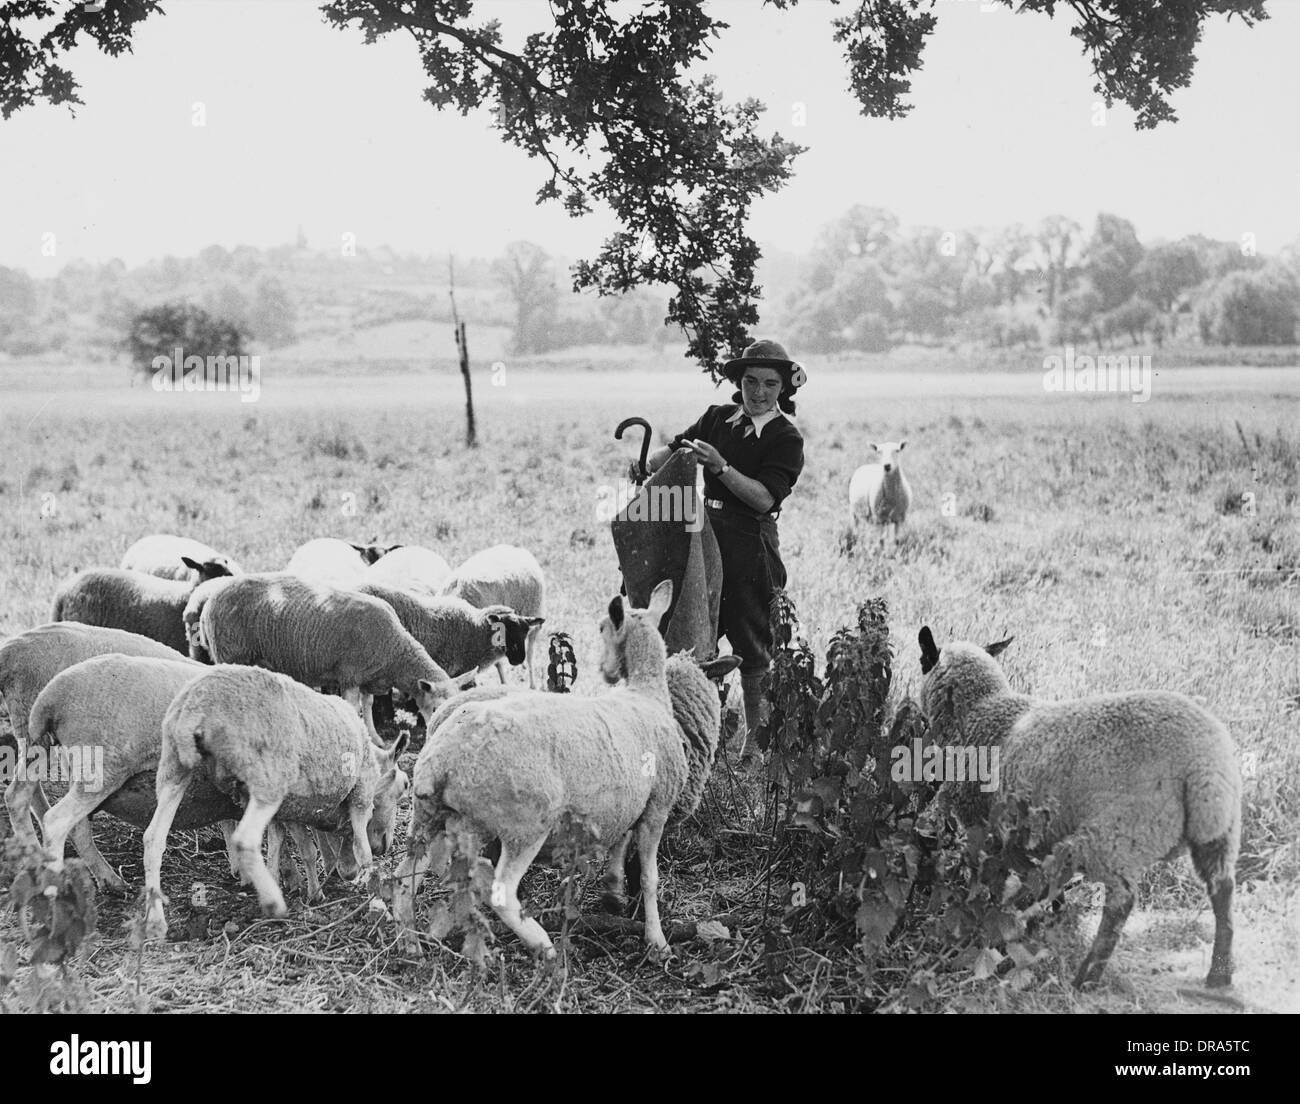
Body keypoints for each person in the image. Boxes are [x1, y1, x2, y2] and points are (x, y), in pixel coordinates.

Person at [641, 338, 807, 759]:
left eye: (770, 384)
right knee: (694, 639)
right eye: (751, 381)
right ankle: (696, 740)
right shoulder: (717, 419)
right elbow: (677, 450)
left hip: (751, 543)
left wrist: (721, 467)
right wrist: (648, 462)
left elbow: (764, 498)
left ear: (783, 388)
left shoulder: (786, 438)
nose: (759, 392)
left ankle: (755, 747)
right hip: (702, 537)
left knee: (752, 646)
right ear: (739, 382)